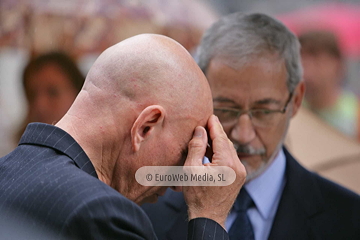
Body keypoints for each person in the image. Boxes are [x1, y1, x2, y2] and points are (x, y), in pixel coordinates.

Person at [0, 34, 246, 239]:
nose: (179, 183)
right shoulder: (104, 215)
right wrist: (210, 216)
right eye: (185, 152)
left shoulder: (7, 169)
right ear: (145, 127)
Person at [142, 13, 360, 240]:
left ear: (295, 101)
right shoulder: (146, 210)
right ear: (198, 97)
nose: (243, 134)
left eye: (264, 112)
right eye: (226, 109)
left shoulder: (349, 220)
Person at [299, 31, 360, 140]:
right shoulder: (292, 111)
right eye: (303, 61)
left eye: (317, 62)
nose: (307, 71)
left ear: (337, 64)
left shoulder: (355, 113)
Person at [15, 51, 85, 143]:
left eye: (53, 92)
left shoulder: (100, 151)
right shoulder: (16, 152)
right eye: (32, 95)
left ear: (78, 94)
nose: (40, 106)